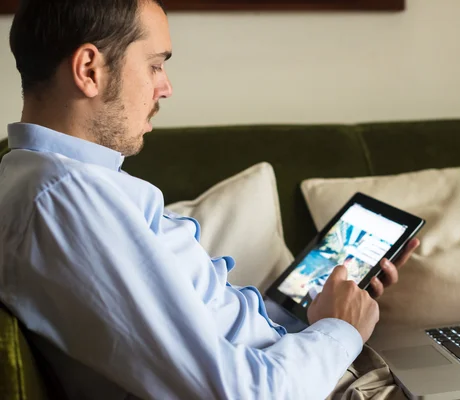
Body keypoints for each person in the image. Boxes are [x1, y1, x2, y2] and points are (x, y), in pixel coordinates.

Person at [0, 0, 419, 399]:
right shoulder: (64, 199)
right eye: (155, 65)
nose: (165, 87)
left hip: (307, 365)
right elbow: (234, 393)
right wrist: (341, 328)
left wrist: (306, 312)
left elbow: (203, 334)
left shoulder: (62, 182)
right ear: (89, 69)